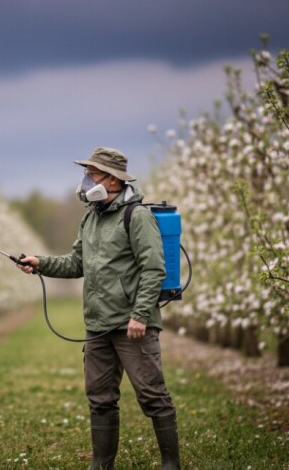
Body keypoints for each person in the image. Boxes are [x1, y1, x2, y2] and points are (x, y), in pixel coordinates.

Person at [17, 147, 181, 470]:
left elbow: (153, 269)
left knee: (152, 395)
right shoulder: (90, 217)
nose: (87, 179)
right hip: (97, 326)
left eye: (93, 173)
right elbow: (76, 263)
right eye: (88, 172)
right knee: (100, 399)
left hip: (132, 326)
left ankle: (171, 463)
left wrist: (140, 315)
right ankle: (101, 463)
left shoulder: (137, 217)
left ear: (113, 180)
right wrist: (40, 263)